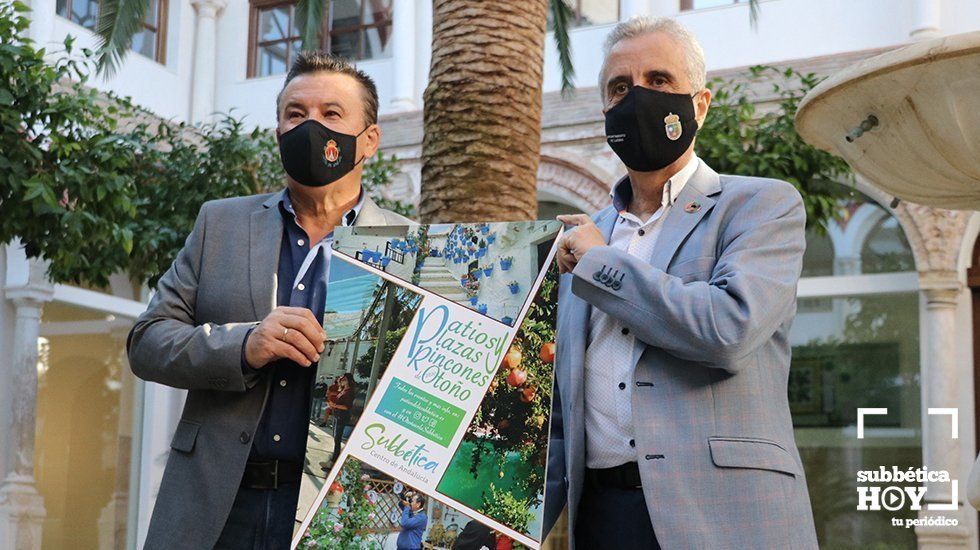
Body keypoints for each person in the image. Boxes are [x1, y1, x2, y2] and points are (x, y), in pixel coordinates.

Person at [542, 16, 818, 550]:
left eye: (659, 80)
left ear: (700, 104)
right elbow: (558, 409)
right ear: (606, 111)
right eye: (620, 88)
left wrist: (602, 265)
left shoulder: (761, 205)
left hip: (725, 518)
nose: (637, 98)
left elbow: (728, 329)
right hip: (602, 517)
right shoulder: (584, 240)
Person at [127, 51, 413, 550]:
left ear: (369, 139)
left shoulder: (409, 245)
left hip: (338, 515)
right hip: (216, 505)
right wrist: (243, 346)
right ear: (279, 131)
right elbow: (146, 342)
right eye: (295, 114)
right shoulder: (221, 224)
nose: (311, 127)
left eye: (331, 114)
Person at [320, 373, 355, 471]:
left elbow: (347, 407)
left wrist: (334, 405)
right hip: (338, 416)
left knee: (337, 439)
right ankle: (334, 459)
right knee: (336, 439)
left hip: (342, 417)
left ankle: (334, 462)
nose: (341, 380)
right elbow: (339, 402)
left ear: (348, 380)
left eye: (343, 379)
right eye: (341, 379)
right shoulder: (343, 390)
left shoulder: (349, 392)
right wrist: (332, 405)